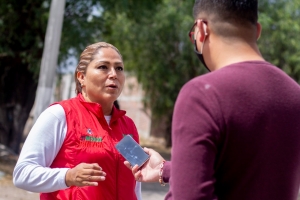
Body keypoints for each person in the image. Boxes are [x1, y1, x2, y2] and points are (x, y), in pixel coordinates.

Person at [125, 1, 300, 200]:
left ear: (202, 29)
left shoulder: (202, 94)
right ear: (257, 31)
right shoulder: (294, 94)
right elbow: (246, 171)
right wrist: (167, 170)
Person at [13, 42, 142, 200]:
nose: (114, 74)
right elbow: (22, 174)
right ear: (81, 77)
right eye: (103, 67)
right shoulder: (60, 115)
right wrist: (67, 176)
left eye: (119, 68)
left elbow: (136, 184)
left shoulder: (128, 125)